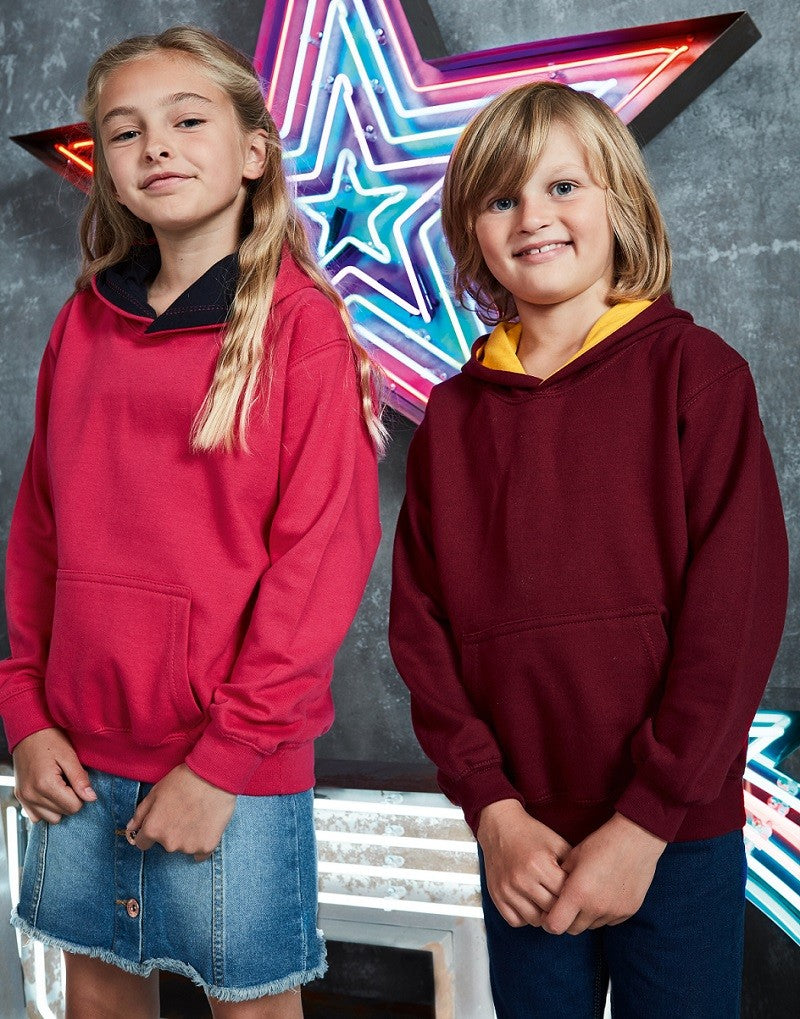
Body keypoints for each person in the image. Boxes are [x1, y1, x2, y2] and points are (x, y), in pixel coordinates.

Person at [0, 25, 383, 1019]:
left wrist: (221, 763)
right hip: (76, 757)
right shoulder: (83, 320)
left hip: (231, 768)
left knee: (250, 1006)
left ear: (253, 151)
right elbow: (39, 533)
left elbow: (318, 564)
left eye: (186, 120)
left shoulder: (303, 329)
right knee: (97, 998)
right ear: (108, 170)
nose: (156, 146)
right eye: (125, 132)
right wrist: (25, 710)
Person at [389, 81, 788, 1018]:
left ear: (621, 203)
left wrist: (647, 820)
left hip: (674, 832)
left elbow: (733, 618)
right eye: (502, 198)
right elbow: (422, 629)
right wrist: (492, 809)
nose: (533, 216)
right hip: (520, 839)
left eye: (562, 187)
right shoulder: (452, 417)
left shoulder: (698, 375)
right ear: (472, 230)